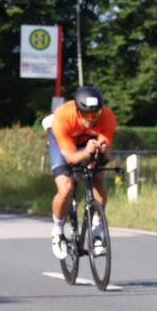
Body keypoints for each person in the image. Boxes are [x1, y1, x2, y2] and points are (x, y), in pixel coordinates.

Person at [46, 86, 117, 260]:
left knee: (99, 178)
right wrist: (87, 153)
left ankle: (97, 232)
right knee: (66, 188)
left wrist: (99, 154)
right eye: (87, 115)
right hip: (63, 143)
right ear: (78, 111)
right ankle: (57, 230)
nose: (91, 119)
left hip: (87, 141)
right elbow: (70, 158)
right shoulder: (63, 116)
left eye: (95, 115)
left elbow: (106, 155)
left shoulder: (108, 117)